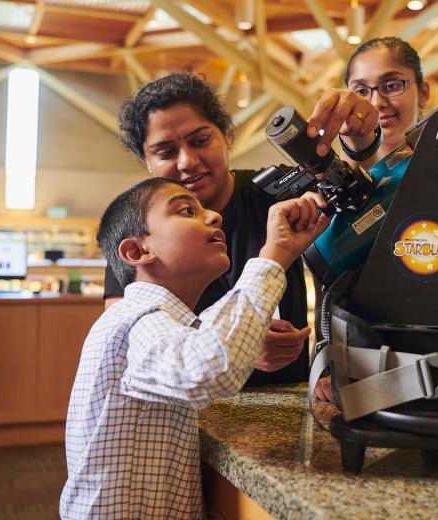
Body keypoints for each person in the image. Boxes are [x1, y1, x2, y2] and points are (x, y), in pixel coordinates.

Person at [61, 178, 331, 518]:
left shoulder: (156, 321)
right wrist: (273, 256)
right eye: (186, 210)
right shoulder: (136, 321)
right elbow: (209, 367)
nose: (215, 216)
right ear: (137, 252)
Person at [102, 72, 379, 386]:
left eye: (200, 141)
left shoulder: (277, 191)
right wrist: (237, 342)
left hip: (288, 396)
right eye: (165, 152)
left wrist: (360, 138)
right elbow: (124, 340)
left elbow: (359, 192)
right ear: (147, 161)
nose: (187, 161)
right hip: (190, 403)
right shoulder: (137, 230)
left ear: (226, 136)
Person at [312, 36, 432, 402]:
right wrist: (329, 362)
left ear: (423, 92)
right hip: (359, 375)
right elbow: (329, 289)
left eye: (391, 85)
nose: (377, 102)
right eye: (361, 90)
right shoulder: (337, 189)